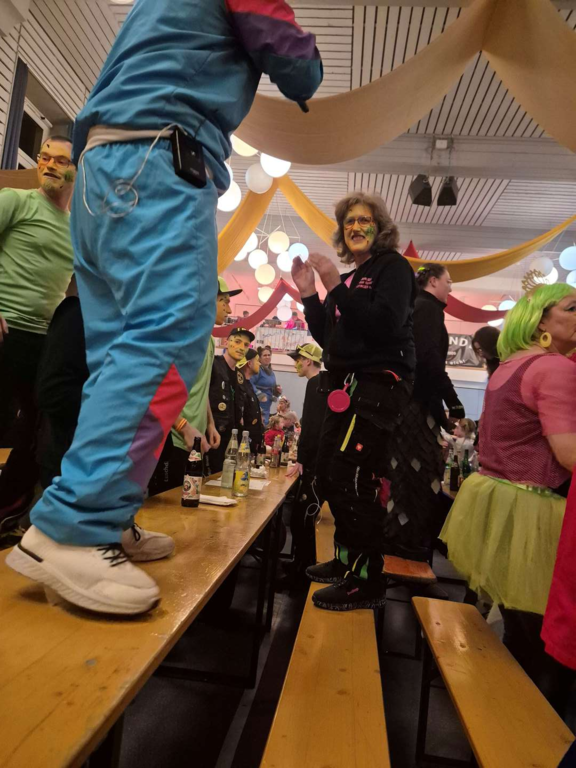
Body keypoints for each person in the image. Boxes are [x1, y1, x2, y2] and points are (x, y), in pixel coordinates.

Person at [7, 0, 323, 616]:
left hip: (102, 169)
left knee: (117, 356)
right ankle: (74, 528)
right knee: (168, 337)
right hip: (158, 164)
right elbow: (295, 63)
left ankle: (104, 515)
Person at [440, 283, 576, 714]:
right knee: (545, 642)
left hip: (498, 500)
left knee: (519, 627)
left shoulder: (511, 364)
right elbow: (568, 454)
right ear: (541, 320)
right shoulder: (554, 367)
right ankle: (534, 730)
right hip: (533, 506)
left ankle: (506, 717)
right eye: (572, 308)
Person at [292, 191, 416, 611]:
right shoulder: (349, 279)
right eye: (349, 222)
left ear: (380, 228)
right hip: (345, 384)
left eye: (364, 220)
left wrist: (332, 286)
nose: (356, 227)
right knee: (329, 473)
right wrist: (310, 294)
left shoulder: (393, 268)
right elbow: (330, 339)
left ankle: (367, 579)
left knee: (353, 476)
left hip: (379, 385)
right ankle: (347, 562)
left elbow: (384, 325)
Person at [0, 136, 76, 525]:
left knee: (39, 431)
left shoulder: (77, 228)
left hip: (44, 342)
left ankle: (6, 509)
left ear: (76, 171)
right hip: (5, 329)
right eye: (43, 157)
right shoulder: (16, 200)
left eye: (60, 160)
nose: (47, 164)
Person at [147, 276, 240, 494]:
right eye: (223, 301)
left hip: (194, 439)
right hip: (173, 439)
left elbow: (201, 387)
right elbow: (156, 389)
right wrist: (182, 427)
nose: (228, 309)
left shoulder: (209, 340)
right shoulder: (184, 336)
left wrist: (210, 424)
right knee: (166, 506)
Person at [285, 343, 327, 582]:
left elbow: (311, 425)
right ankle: (301, 567)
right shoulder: (322, 384)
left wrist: (301, 458)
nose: (296, 364)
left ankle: (302, 573)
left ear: (308, 361)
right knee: (301, 519)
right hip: (317, 462)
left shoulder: (316, 384)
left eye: (298, 360)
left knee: (302, 520)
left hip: (314, 465)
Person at [208, 326, 254, 473]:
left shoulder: (240, 376)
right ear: (227, 342)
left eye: (246, 345)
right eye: (237, 342)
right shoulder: (214, 365)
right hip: (213, 434)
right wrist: (209, 425)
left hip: (233, 439)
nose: (241, 347)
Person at [236, 348, 263, 453]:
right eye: (257, 360)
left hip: (253, 444)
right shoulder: (240, 386)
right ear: (249, 363)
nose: (260, 364)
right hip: (244, 446)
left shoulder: (248, 385)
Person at [252, 345, 279, 426]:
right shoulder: (257, 369)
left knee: (265, 425)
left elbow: (273, 387)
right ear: (259, 358)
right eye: (264, 355)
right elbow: (249, 383)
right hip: (257, 405)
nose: (267, 357)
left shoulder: (271, 372)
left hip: (267, 405)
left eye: (269, 355)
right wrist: (259, 394)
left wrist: (277, 391)